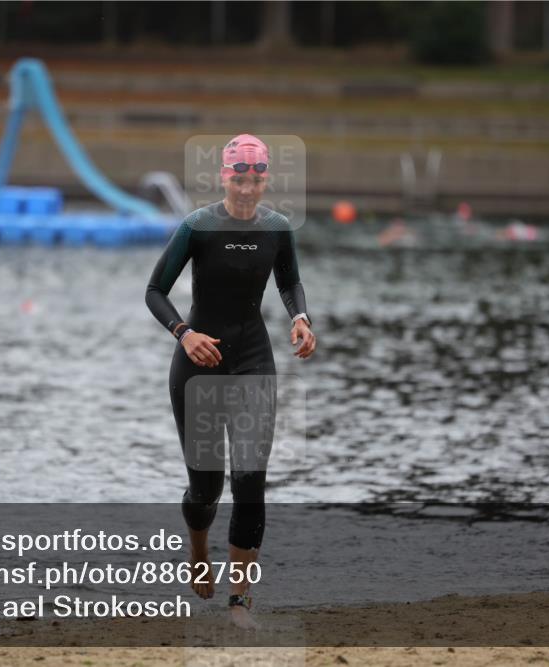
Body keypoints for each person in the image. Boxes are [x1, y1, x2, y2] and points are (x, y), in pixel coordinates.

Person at [145, 134, 316, 629]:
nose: (246, 187)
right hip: (198, 362)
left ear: (266, 179)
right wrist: (184, 333)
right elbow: (155, 290)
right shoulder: (198, 226)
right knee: (207, 486)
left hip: (253, 358)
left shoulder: (277, 228)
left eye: (256, 178)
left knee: (250, 478)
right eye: (238, 177)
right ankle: (198, 549)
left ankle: (240, 599)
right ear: (225, 176)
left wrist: (301, 316)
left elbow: (289, 282)